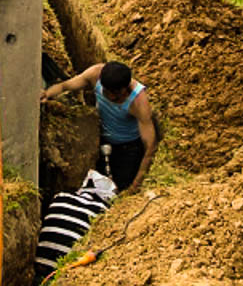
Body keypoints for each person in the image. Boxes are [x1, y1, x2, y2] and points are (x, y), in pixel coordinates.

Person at [40, 61, 156, 193]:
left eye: (116, 93)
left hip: (128, 148)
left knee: (118, 188)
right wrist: (47, 94)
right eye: (107, 92)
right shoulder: (95, 74)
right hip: (101, 139)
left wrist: (136, 184)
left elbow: (150, 147)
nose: (111, 97)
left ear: (126, 88)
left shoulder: (138, 102)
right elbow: (65, 86)